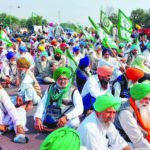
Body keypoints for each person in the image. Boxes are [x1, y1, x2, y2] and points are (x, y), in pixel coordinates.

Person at [34, 67, 83, 132]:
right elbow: (42, 103)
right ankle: (56, 129)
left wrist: (66, 117)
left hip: (65, 116)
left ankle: (51, 129)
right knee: (37, 117)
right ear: (56, 79)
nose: (62, 81)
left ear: (68, 79)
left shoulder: (73, 91)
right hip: (51, 115)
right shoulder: (50, 88)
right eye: (60, 79)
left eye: (65, 79)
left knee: (75, 123)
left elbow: (80, 108)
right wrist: (38, 118)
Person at [114, 83, 150, 149]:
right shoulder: (125, 113)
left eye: (149, 99)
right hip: (126, 142)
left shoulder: (141, 105)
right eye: (145, 98)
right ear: (137, 97)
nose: (148, 102)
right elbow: (137, 139)